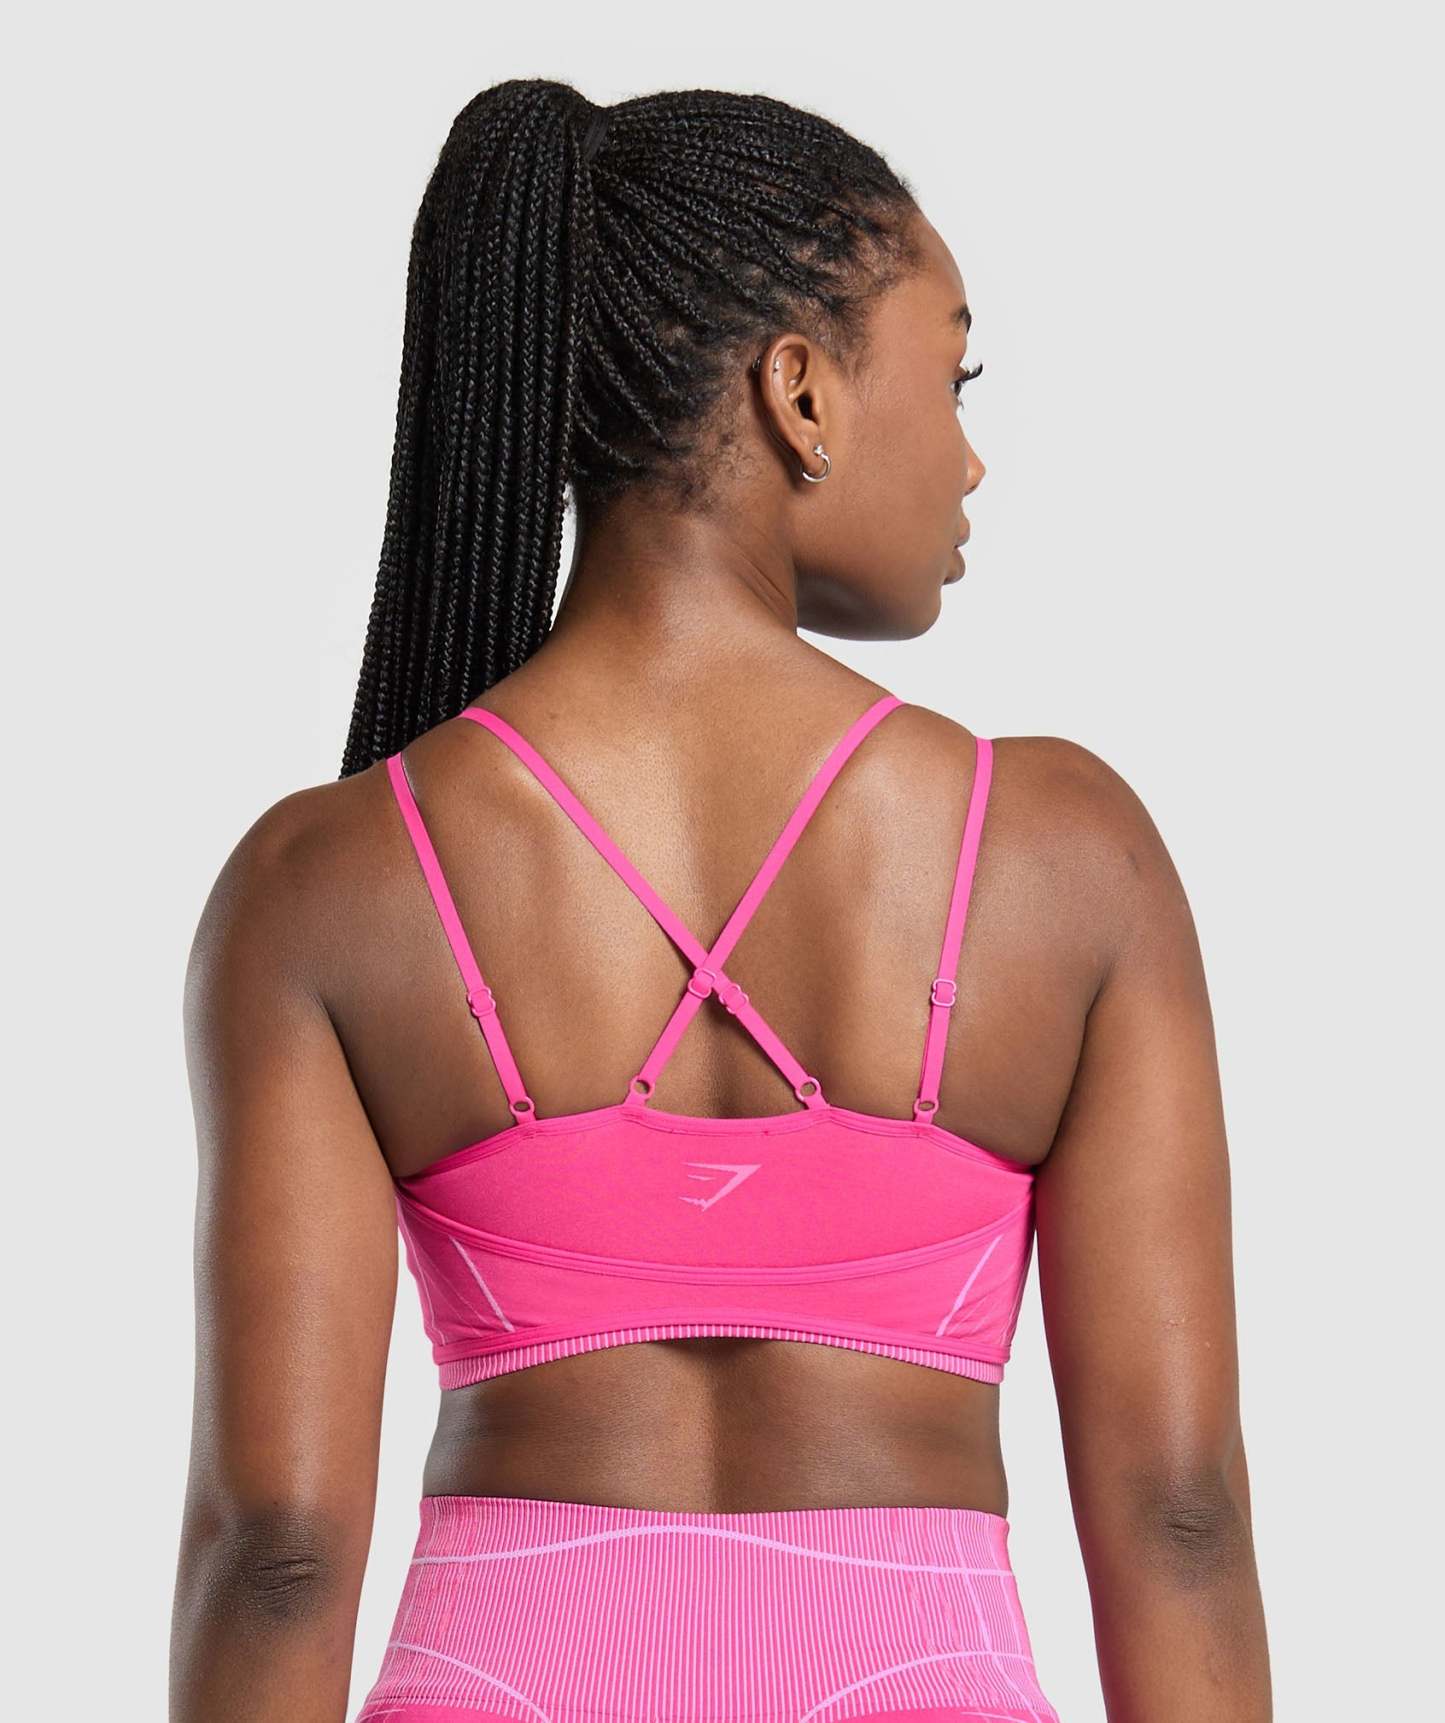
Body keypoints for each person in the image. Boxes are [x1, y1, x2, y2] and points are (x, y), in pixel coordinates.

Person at [170, 79, 1271, 1723]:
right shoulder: (1064, 858)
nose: (971, 456)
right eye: (953, 378)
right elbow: (1176, 1516)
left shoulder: (326, 883)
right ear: (798, 390)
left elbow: (276, 1552)